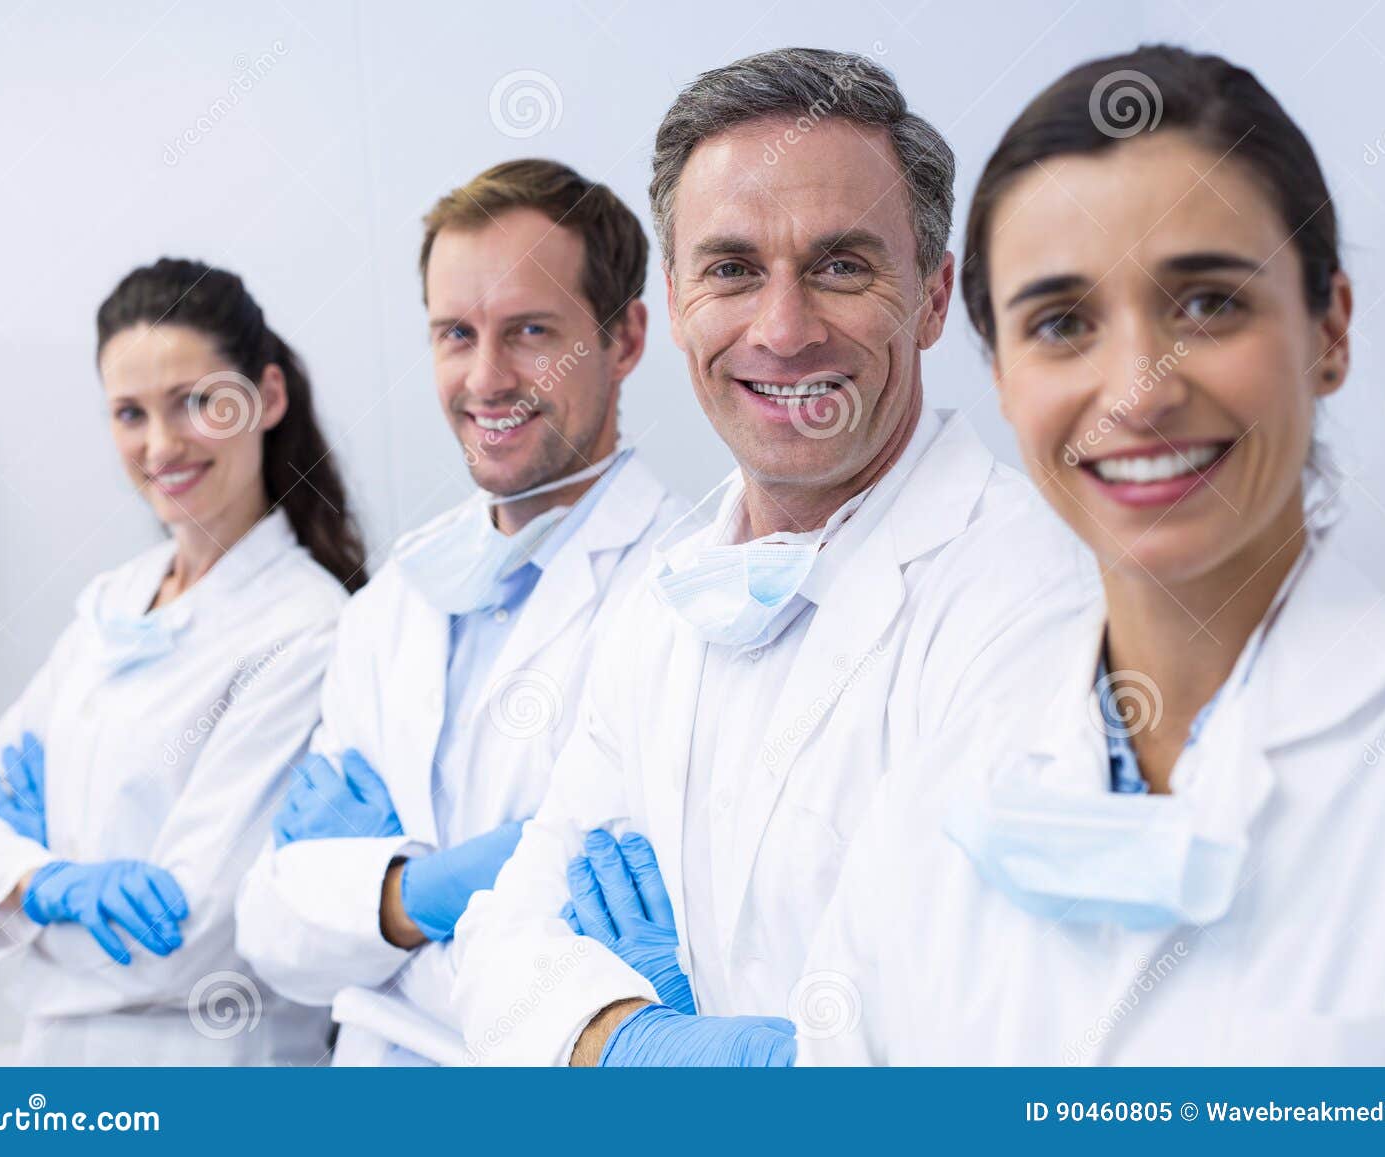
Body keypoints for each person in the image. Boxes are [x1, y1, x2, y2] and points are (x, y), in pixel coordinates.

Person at [799, 45, 1385, 1065]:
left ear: (1327, 329)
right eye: (1062, 323)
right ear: (1002, 377)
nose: (1136, 389)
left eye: (1206, 302)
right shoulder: (933, 790)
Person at [450, 47, 1095, 1067]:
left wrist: (740, 1066)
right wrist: (629, 1043)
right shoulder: (666, 602)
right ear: (672, 302)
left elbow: (990, 1039)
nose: (783, 330)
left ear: (932, 298)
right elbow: (493, 956)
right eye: (731, 269)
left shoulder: (1036, 601)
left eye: (841, 265)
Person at [233, 159, 686, 1066]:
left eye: (529, 330)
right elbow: (272, 927)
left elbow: (595, 954)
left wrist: (373, 904)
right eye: (455, 333)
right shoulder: (397, 597)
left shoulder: (682, 591)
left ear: (626, 338)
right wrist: (432, 890)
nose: (486, 377)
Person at [0, 258, 365, 1065]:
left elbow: (193, 938)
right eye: (130, 413)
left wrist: (17, 887)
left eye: (196, 402)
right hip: (57, 1065)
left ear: (266, 396)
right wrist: (54, 884)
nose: (161, 445)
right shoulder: (112, 604)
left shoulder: (308, 630)